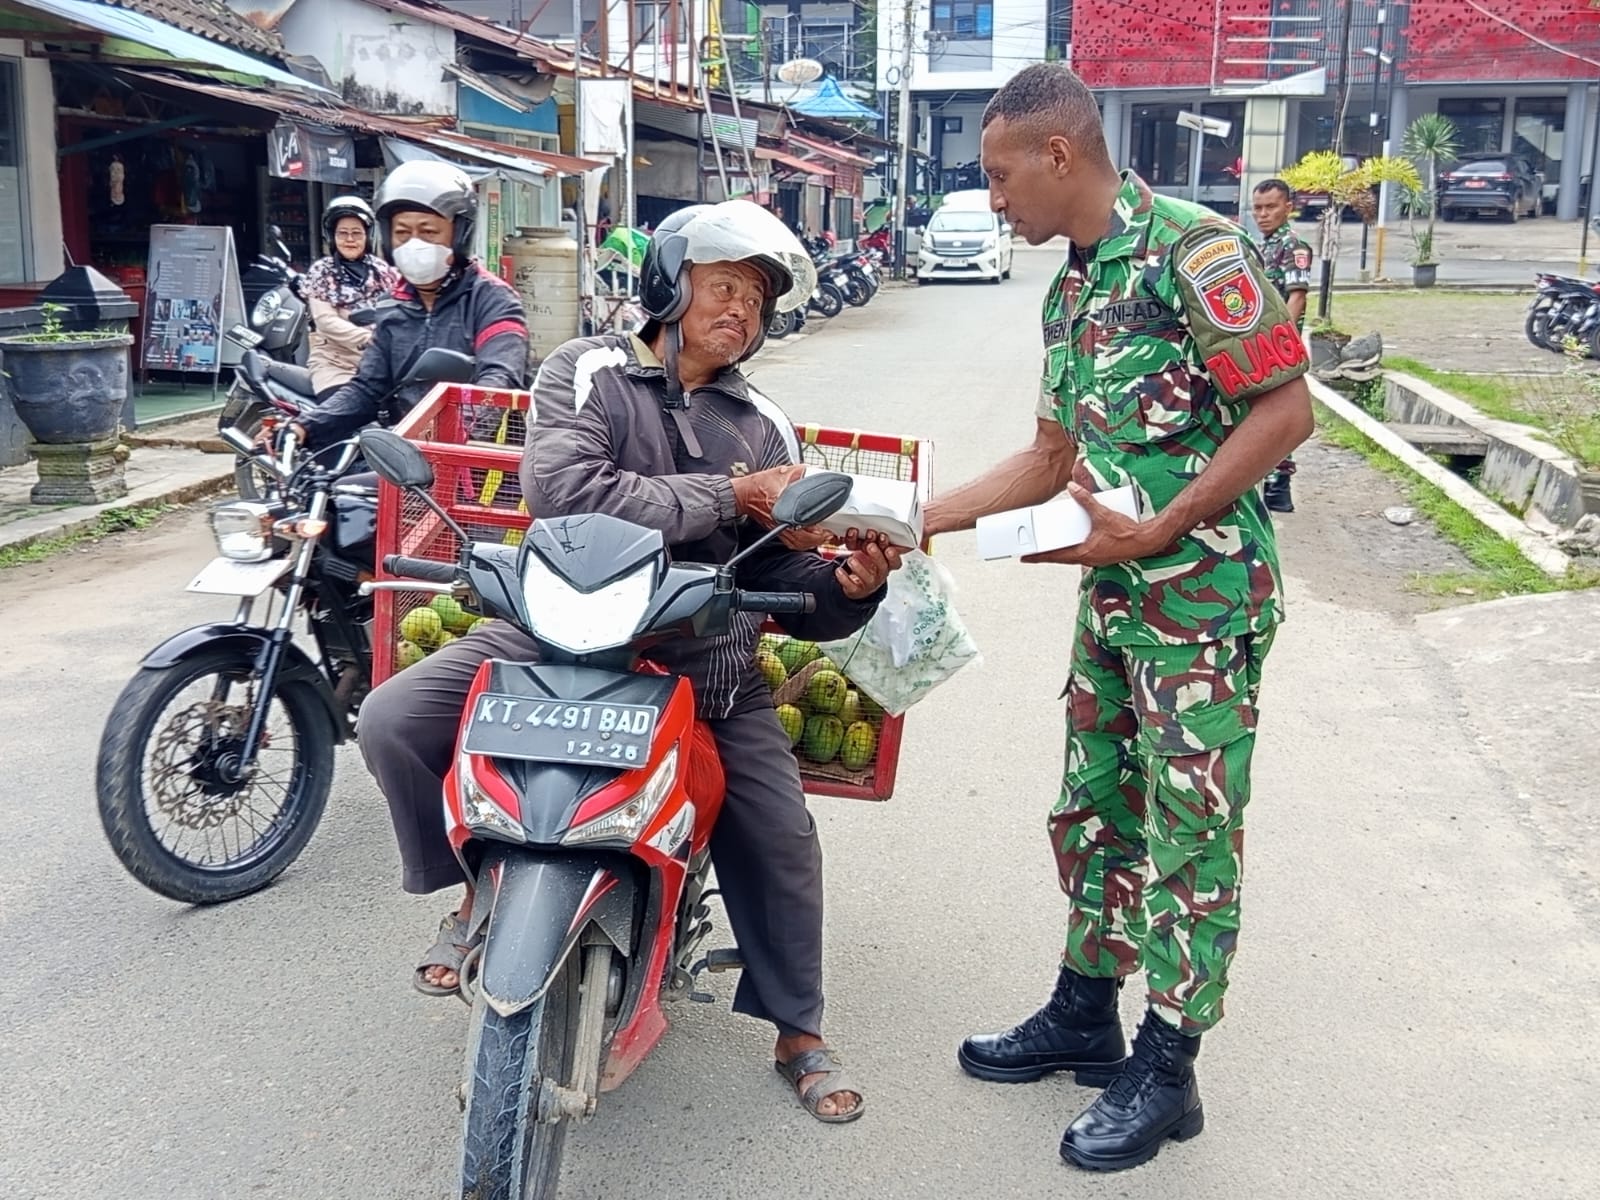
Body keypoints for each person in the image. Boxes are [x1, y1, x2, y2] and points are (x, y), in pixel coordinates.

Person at [356, 200, 905, 1123]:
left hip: (704, 665)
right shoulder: (588, 370)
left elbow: (777, 575)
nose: (741, 310)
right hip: (553, 636)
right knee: (394, 720)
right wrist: (730, 494)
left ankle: (798, 1031)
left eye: (758, 300)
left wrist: (848, 586)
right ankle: (477, 892)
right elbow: (566, 493)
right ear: (668, 283)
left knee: (780, 837)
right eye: (724, 287)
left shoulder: (764, 424)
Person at [921, 63, 1313, 1172]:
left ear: (1058, 155)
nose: (993, 199)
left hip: (1200, 607)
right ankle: (1085, 1010)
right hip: (1114, 598)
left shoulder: (1195, 250)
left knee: (1190, 831)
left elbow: (1286, 409)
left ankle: (1169, 1066)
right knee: (1095, 807)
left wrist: (1165, 525)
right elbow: (1052, 458)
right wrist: (916, 519)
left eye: (1001, 176)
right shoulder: (1075, 287)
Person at [288, 160, 528, 449]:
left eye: (429, 232)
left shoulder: (493, 299)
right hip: (408, 459)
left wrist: (454, 436)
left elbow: (499, 380)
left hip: (479, 460)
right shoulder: (392, 307)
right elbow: (368, 388)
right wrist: (304, 426)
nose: (414, 244)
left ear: (460, 234)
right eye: (402, 233)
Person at [1250, 178, 1313, 513]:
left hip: (1279, 347)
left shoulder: (1293, 246)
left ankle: (1279, 487)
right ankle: (1270, 484)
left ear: (1288, 208)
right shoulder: (1264, 245)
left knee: (1277, 412)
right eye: (1258, 208)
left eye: (1271, 207)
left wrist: (1276, 344)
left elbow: (1297, 297)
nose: (1263, 214)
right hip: (1261, 343)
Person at [304, 196, 400, 402]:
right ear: (332, 237)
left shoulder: (382, 269)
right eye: (342, 233)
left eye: (356, 233)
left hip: (379, 362)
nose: (350, 239)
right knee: (342, 412)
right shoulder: (321, 271)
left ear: (368, 236)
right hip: (335, 363)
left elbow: (400, 306)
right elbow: (325, 321)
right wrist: (368, 338)